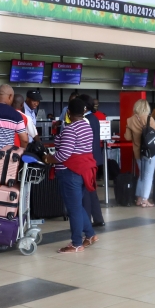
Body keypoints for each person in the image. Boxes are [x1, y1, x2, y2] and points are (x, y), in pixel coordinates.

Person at [45, 97, 97, 253]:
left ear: (68, 112)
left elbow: (63, 155)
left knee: (73, 209)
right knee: (77, 206)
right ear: (84, 111)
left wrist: (48, 159)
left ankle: (76, 243)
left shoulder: (71, 129)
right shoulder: (86, 127)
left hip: (70, 173)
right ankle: (90, 235)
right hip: (83, 171)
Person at [124, 99, 155, 207]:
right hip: (150, 152)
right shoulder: (149, 119)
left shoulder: (130, 120)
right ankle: (145, 200)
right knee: (149, 176)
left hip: (138, 152)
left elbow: (127, 137)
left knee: (142, 175)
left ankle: (139, 198)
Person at [78, 95, 105, 226]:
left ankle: (87, 221)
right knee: (91, 190)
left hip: (88, 159)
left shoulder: (85, 120)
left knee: (86, 192)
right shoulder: (93, 118)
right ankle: (98, 218)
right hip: (94, 158)